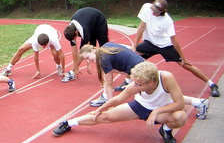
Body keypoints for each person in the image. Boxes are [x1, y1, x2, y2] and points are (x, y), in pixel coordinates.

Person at [53, 61, 190, 143]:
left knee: (180, 117)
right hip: (140, 106)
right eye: (134, 82)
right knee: (104, 116)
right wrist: (100, 108)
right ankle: (68, 123)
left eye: (139, 84)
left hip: (161, 111)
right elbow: (118, 99)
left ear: (151, 82)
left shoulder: (166, 78)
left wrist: (156, 111)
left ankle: (166, 130)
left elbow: (180, 103)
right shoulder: (136, 84)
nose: (135, 85)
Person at [80, 43, 210, 119]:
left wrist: (110, 106)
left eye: (88, 57)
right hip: (143, 67)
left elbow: (109, 84)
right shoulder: (106, 46)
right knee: (161, 94)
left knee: (157, 97)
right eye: (85, 60)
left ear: (93, 50)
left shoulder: (103, 59)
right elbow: (128, 49)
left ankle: (199, 102)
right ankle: (199, 102)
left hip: (140, 73)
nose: (88, 61)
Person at [132, 0, 220, 97]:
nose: (153, 12)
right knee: (132, 57)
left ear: (162, 11)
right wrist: (135, 45)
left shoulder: (167, 20)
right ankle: (127, 81)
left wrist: (183, 57)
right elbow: (141, 27)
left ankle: (211, 84)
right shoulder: (146, 7)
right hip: (150, 43)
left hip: (164, 45)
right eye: (153, 9)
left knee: (186, 65)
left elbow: (173, 40)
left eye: (156, 12)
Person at [0, 24, 65, 79]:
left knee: (55, 53)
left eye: (45, 45)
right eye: (42, 46)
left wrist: (63, 71)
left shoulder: (53, 39)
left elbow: (61, 54)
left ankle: (59, 67)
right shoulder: (35, 40)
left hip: (51, 31)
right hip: (40, 30)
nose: (44, 47)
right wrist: (38, 70)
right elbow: (36, 55)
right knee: (21, 49)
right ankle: (8, 69)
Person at [62, 7, 109, 82]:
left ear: (76, 33)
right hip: (90, 23)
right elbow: (74, 51)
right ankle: (72, 72)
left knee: (105, 49)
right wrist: (76, 67)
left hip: (99, 21)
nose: (74, 40)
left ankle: (107, 73)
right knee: (83, 52)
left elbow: (86, 51)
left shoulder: (83, 29)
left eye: (75, 38)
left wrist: (88, 65)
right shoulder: (70, 29)